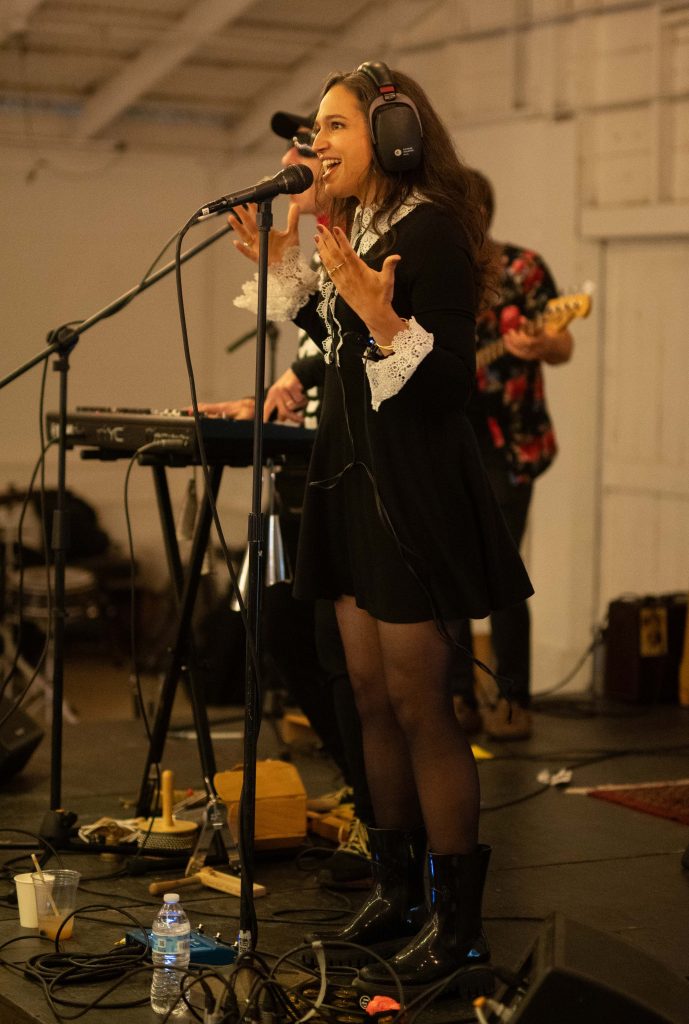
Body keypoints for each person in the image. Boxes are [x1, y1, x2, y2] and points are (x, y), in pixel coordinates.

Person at [228, 62, 533, 996]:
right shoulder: (356, 227)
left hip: (413, 497)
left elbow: (448, 384)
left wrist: (376, 313)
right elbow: (332, 349)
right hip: (353, 483)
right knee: (367, 696)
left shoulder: (429, 230)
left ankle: (457, 924)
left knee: (418, 704)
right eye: (315, 129)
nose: (317, 144)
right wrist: (289, 258)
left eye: (336, 127)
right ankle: (398, 891)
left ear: (393, 137)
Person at [200, 112, 376, 890]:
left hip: (353, 482)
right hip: (304, 472)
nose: (294, 161)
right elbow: (323, 354)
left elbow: (361, 351)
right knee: (277, 627)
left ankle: (380, 812)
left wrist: (298, 376)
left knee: (339, 654)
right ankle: (364, 787)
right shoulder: (319, 244)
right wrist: (276, 394)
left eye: (309, 147)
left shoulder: (361, 240)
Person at [453, 170, 574, 741]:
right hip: (447, 439)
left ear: (482, 214)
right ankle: (457, 696)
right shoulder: (434, 267)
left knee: (502, 573)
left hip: (511, 445)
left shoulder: (524, 270)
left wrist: (540, 342)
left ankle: (513, 698)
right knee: (448, 572)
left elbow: (563, 343)